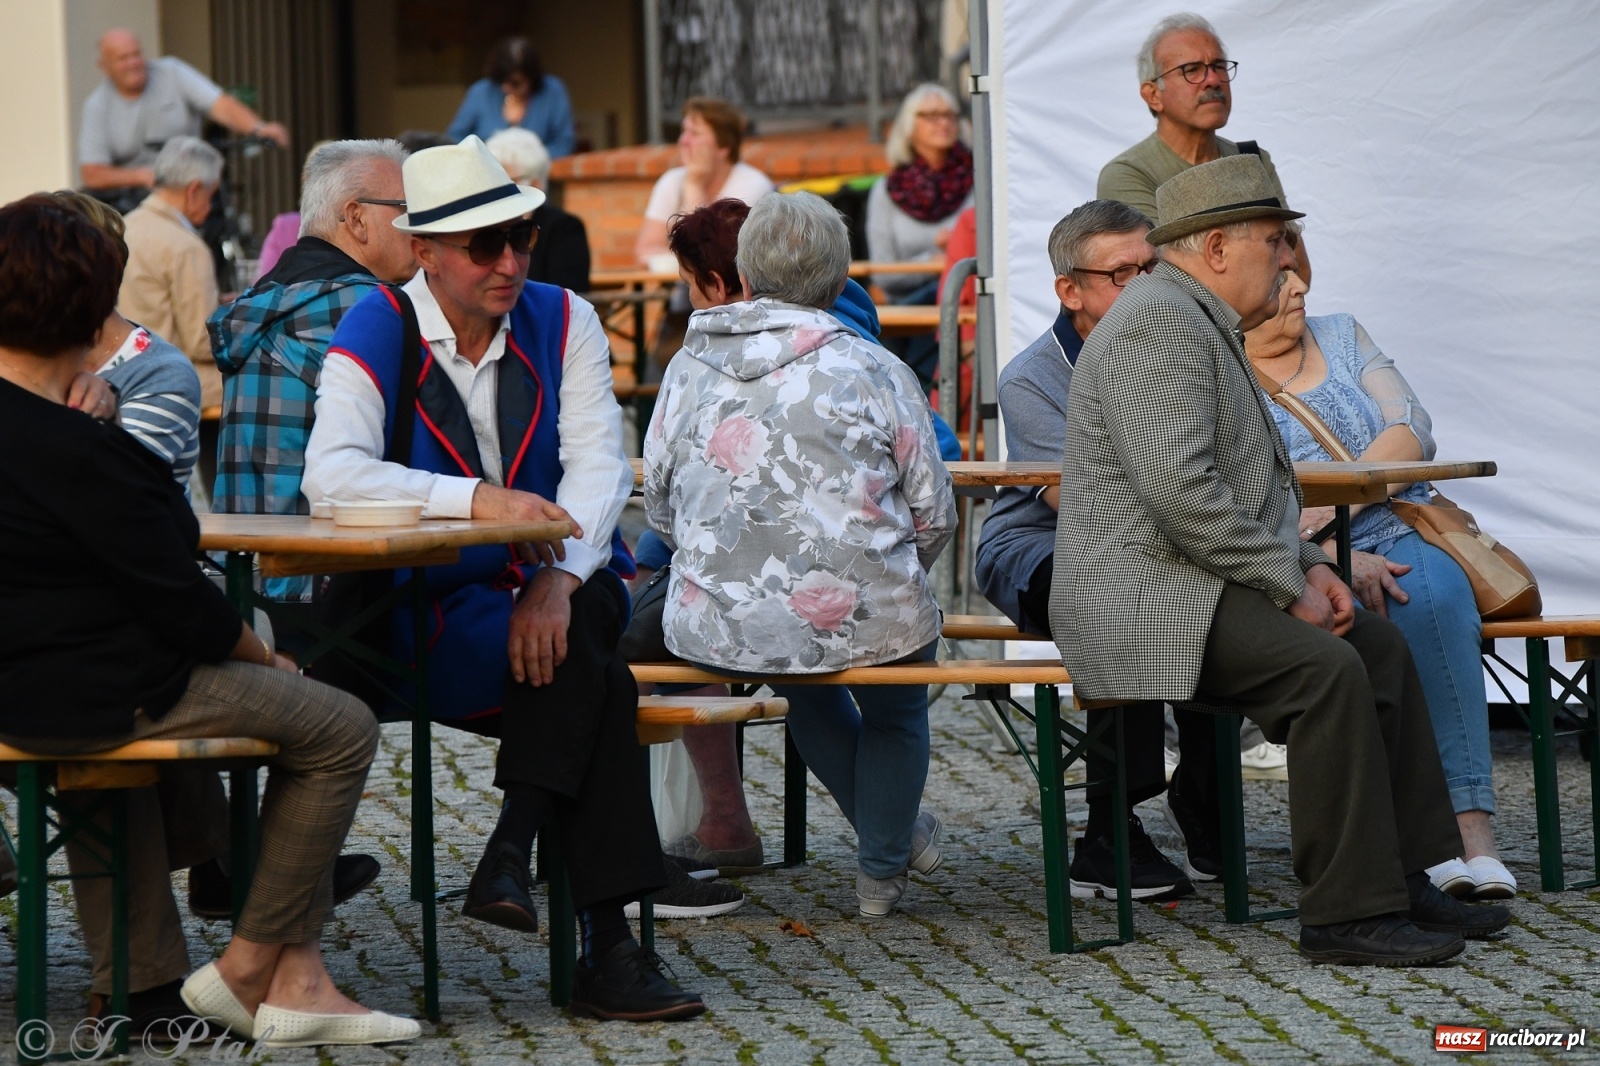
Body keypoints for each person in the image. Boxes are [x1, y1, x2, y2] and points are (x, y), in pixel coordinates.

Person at [1050, 154, 1510, 965]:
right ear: (1218, 247)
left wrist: (1315, 565)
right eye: (1274, 240)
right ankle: (1344, 917)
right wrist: (1290, 579)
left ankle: (1406, 875)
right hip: (1148, 603)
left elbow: (1242, 494)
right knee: (1326, 670)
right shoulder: (1160, 320)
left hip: (1193, 582)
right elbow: (1183, 492)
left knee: (1376, 645)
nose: (1289, 257)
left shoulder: (1191, 314)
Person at [301, 136, 704, 1022]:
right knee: (598, 677)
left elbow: (601, 470)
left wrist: (553, 579)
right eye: (486, 246)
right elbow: (330, 476)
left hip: (548, 595)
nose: (513, 260)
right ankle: (604, 947)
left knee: (585, 624)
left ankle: (519, 853)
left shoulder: (566, 318)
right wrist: (476, 500)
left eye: (521, 235)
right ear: (425, 253)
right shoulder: (376, 321)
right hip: (418, 607)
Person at [0, 195, 415, 1048]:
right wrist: (266, 658)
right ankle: (247, 966)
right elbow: (183, 600)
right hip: (83, 690)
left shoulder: (65, 436)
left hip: (31, 685)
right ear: (96, 314)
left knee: (124, 752)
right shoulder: (89, 453)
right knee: (339, 724)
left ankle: (145, 988)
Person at [643, 191, 958, 918]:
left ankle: (893, 842)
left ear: (745, 273)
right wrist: (891, 573)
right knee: (896, 702)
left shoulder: (687, 369)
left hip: (722, 624)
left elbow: (659, 507)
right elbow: (934, 512)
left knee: (805, 676)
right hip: (867, 611)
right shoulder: (874, 368)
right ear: (838, 276)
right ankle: (881, 870)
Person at [1244, 267, 1514, 900]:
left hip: (1393, 527)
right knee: (1350, 639)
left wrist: (1352, 503)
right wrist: (1323, 550)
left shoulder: (1339, 334)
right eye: (1278, 277)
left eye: (1298, 271)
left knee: (1438, 601)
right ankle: (1417, 845)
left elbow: (1412, 428)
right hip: (1287, 551)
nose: (1297, 288)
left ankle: (1472, 836)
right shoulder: (1215, 361)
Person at [211, 139, 417, 605]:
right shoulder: (370, 307)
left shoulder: (260, 300)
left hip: (246, 582)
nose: (419, 227)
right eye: (407, 209)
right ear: (357, 218)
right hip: (335, 583)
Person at [1098, 13, 1311, 285]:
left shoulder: (1252, 160)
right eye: (1192, 69)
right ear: (1153, 95)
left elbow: (1297, 267)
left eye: (1219, 65)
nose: (1213, 80)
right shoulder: (1130, 174)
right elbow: (1163, 281)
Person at [78, 28, 289, 203]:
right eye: (123, 58)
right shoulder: (97, 105)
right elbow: (92, 173)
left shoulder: (172, 72)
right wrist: (141, 176)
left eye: (136, 54)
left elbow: (220, 104)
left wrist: (258, 128)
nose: (133, 62)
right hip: (136, 199)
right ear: (104, 67)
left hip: (191, 184)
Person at [865, 83, 974, 387]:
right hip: (908, 307)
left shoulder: (979, 181)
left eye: (950, 114)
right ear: (910, 127)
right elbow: (884, 275)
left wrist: (955, 252)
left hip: (964, 306)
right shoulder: (886, 191)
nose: (944, 122)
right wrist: (939, 257)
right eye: (931, 115)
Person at [120, 136, 225, 411]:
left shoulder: (122, 227)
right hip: (171, 377)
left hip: (120, 373)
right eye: (212, 194)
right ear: (194, 191)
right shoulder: (186, 246)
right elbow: (203, 342)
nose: (212, 206)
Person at [634, 98, 774, 264]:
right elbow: (646, 249)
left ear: (723, 147)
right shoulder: (671, 180)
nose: (683, 141)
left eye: (694, 134)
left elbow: (713, 256)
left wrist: (694, 185)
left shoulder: (753, 184)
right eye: (683, 132)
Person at [487, 127, 591, 291]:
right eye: (491, 181)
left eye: (506, 182)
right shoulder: (483, 226)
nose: (495, 190)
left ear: (536, 184)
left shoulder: (564, 228)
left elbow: (568, 296)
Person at [447, 37, 576, 158]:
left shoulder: (553, 91)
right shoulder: (481, 91)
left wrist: (533, 162)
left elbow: (564, 141)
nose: (506, 88)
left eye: (515, 83)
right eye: (500, 80)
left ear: (531, 77)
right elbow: (455, 138)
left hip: (536, 176)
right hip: (488, 176)